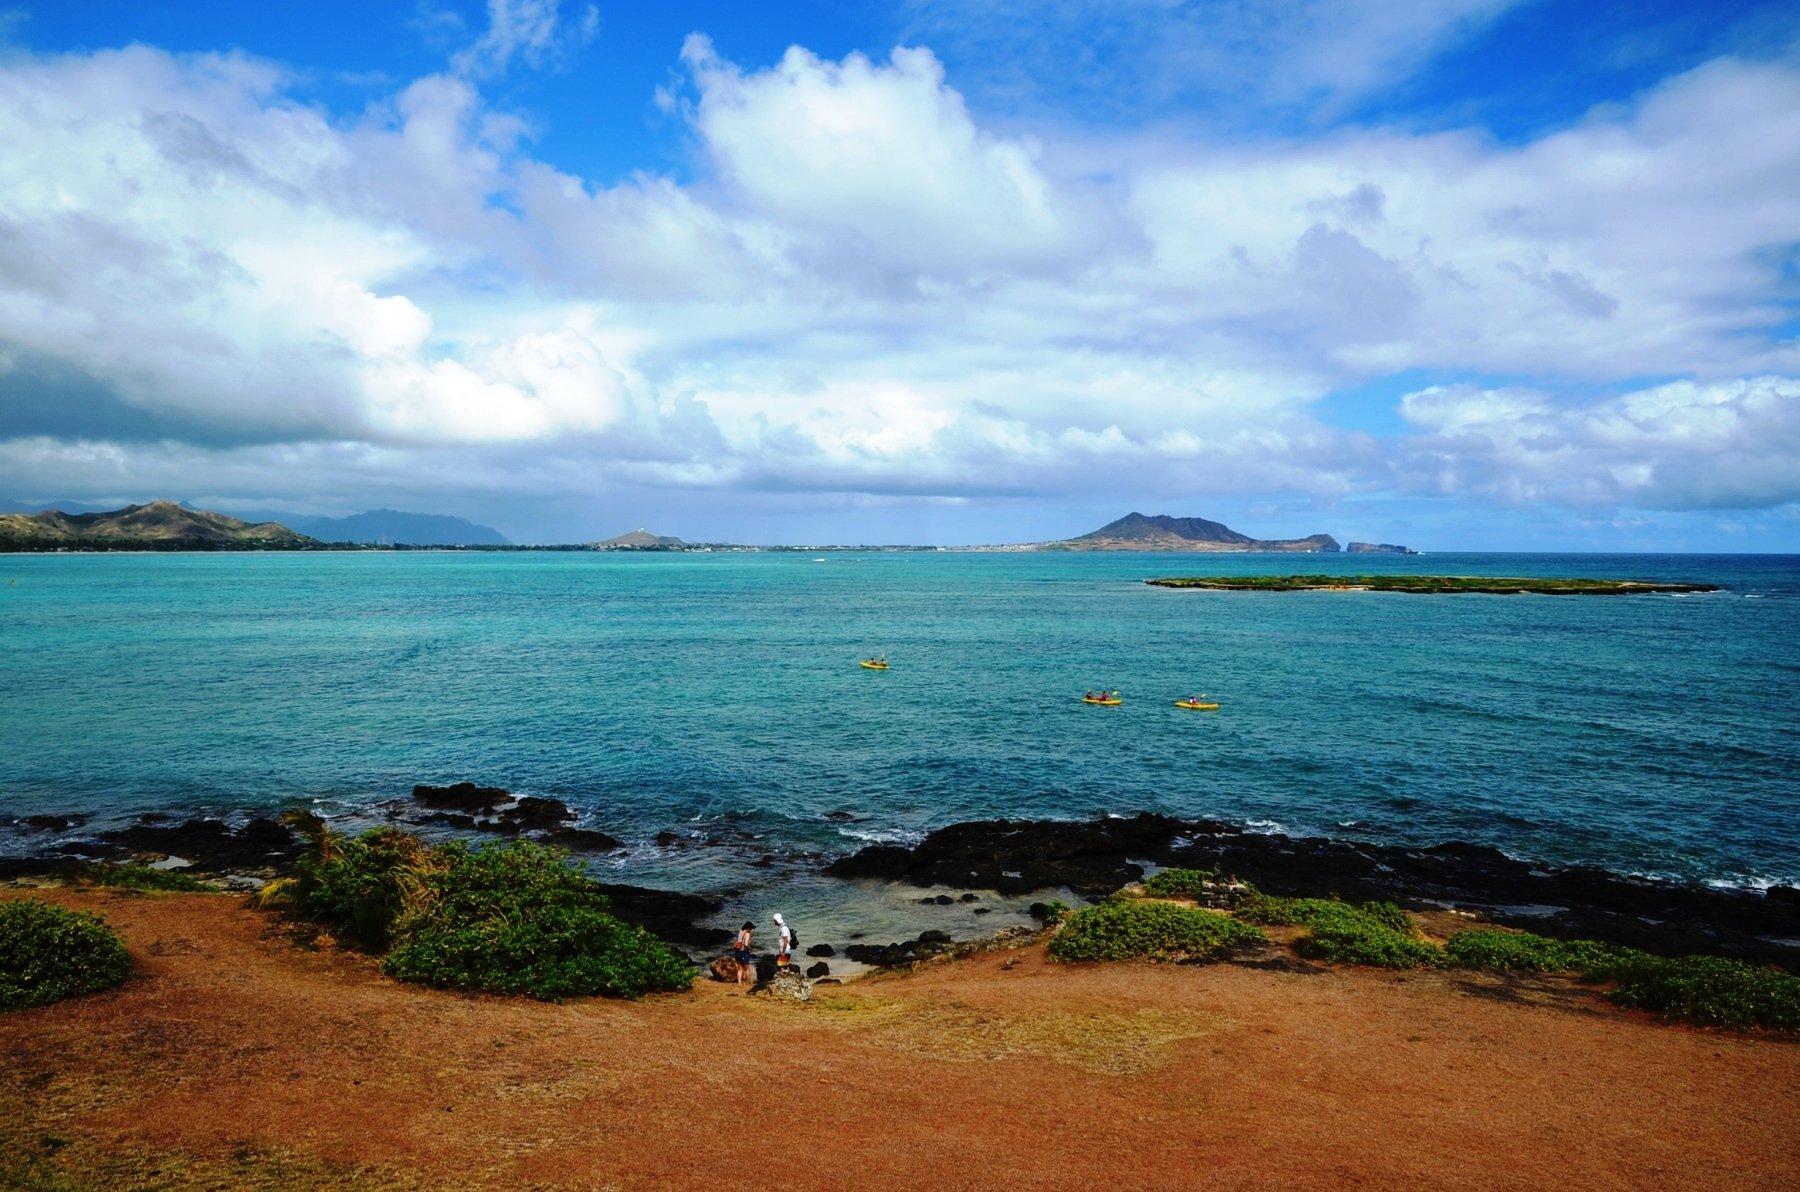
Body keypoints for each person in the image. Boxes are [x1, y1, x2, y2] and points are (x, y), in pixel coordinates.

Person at [730, 921, 755, 985]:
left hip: (737, 952)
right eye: (751, 929)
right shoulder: (747, 934)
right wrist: (750, 947)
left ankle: (739, 983)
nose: (751, 930)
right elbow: (746, 944)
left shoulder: (740, 931)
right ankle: (747, 983)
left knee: (740, 969)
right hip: (743, 953)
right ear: (748, 928)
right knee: (747, 969)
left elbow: (739, 941)